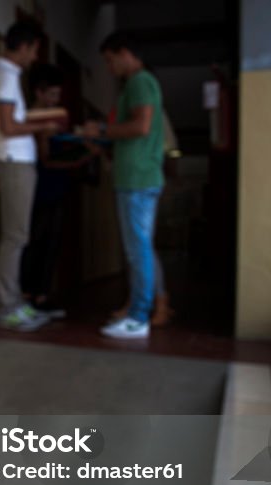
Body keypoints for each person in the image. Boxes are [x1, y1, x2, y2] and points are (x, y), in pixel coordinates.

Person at [0, 20, 64, 331]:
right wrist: (44, 126)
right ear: (25, 46)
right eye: (35, 50)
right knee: (15, 237)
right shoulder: (4, 76)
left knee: (18, 236)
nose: (35, 56)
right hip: (13, 162)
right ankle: (7, 308)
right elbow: (7, 127)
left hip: (17, 162)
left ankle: (15, 303)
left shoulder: (9, 76)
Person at [84, 31, 165, 339]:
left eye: (109, 59)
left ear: (125, 52)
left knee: (138, 251)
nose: (109, 67)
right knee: (138, 249)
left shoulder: (139, 82)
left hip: (137, 179)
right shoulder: (140, 83)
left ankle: (138, 317)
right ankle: (138, 313)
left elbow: (141, 126)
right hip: (138, 178)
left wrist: (103, 128)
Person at [21, 63, 99, 315]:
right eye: (52, 95)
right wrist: (82, 156)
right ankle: (29, 297)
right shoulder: (35, 119)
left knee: (50, 244)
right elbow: (46, 159)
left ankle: (41, 297)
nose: (56, 100)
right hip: (41, 187)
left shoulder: (52, 118)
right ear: (40, 92)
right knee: (36, 243)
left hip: (55, 186)